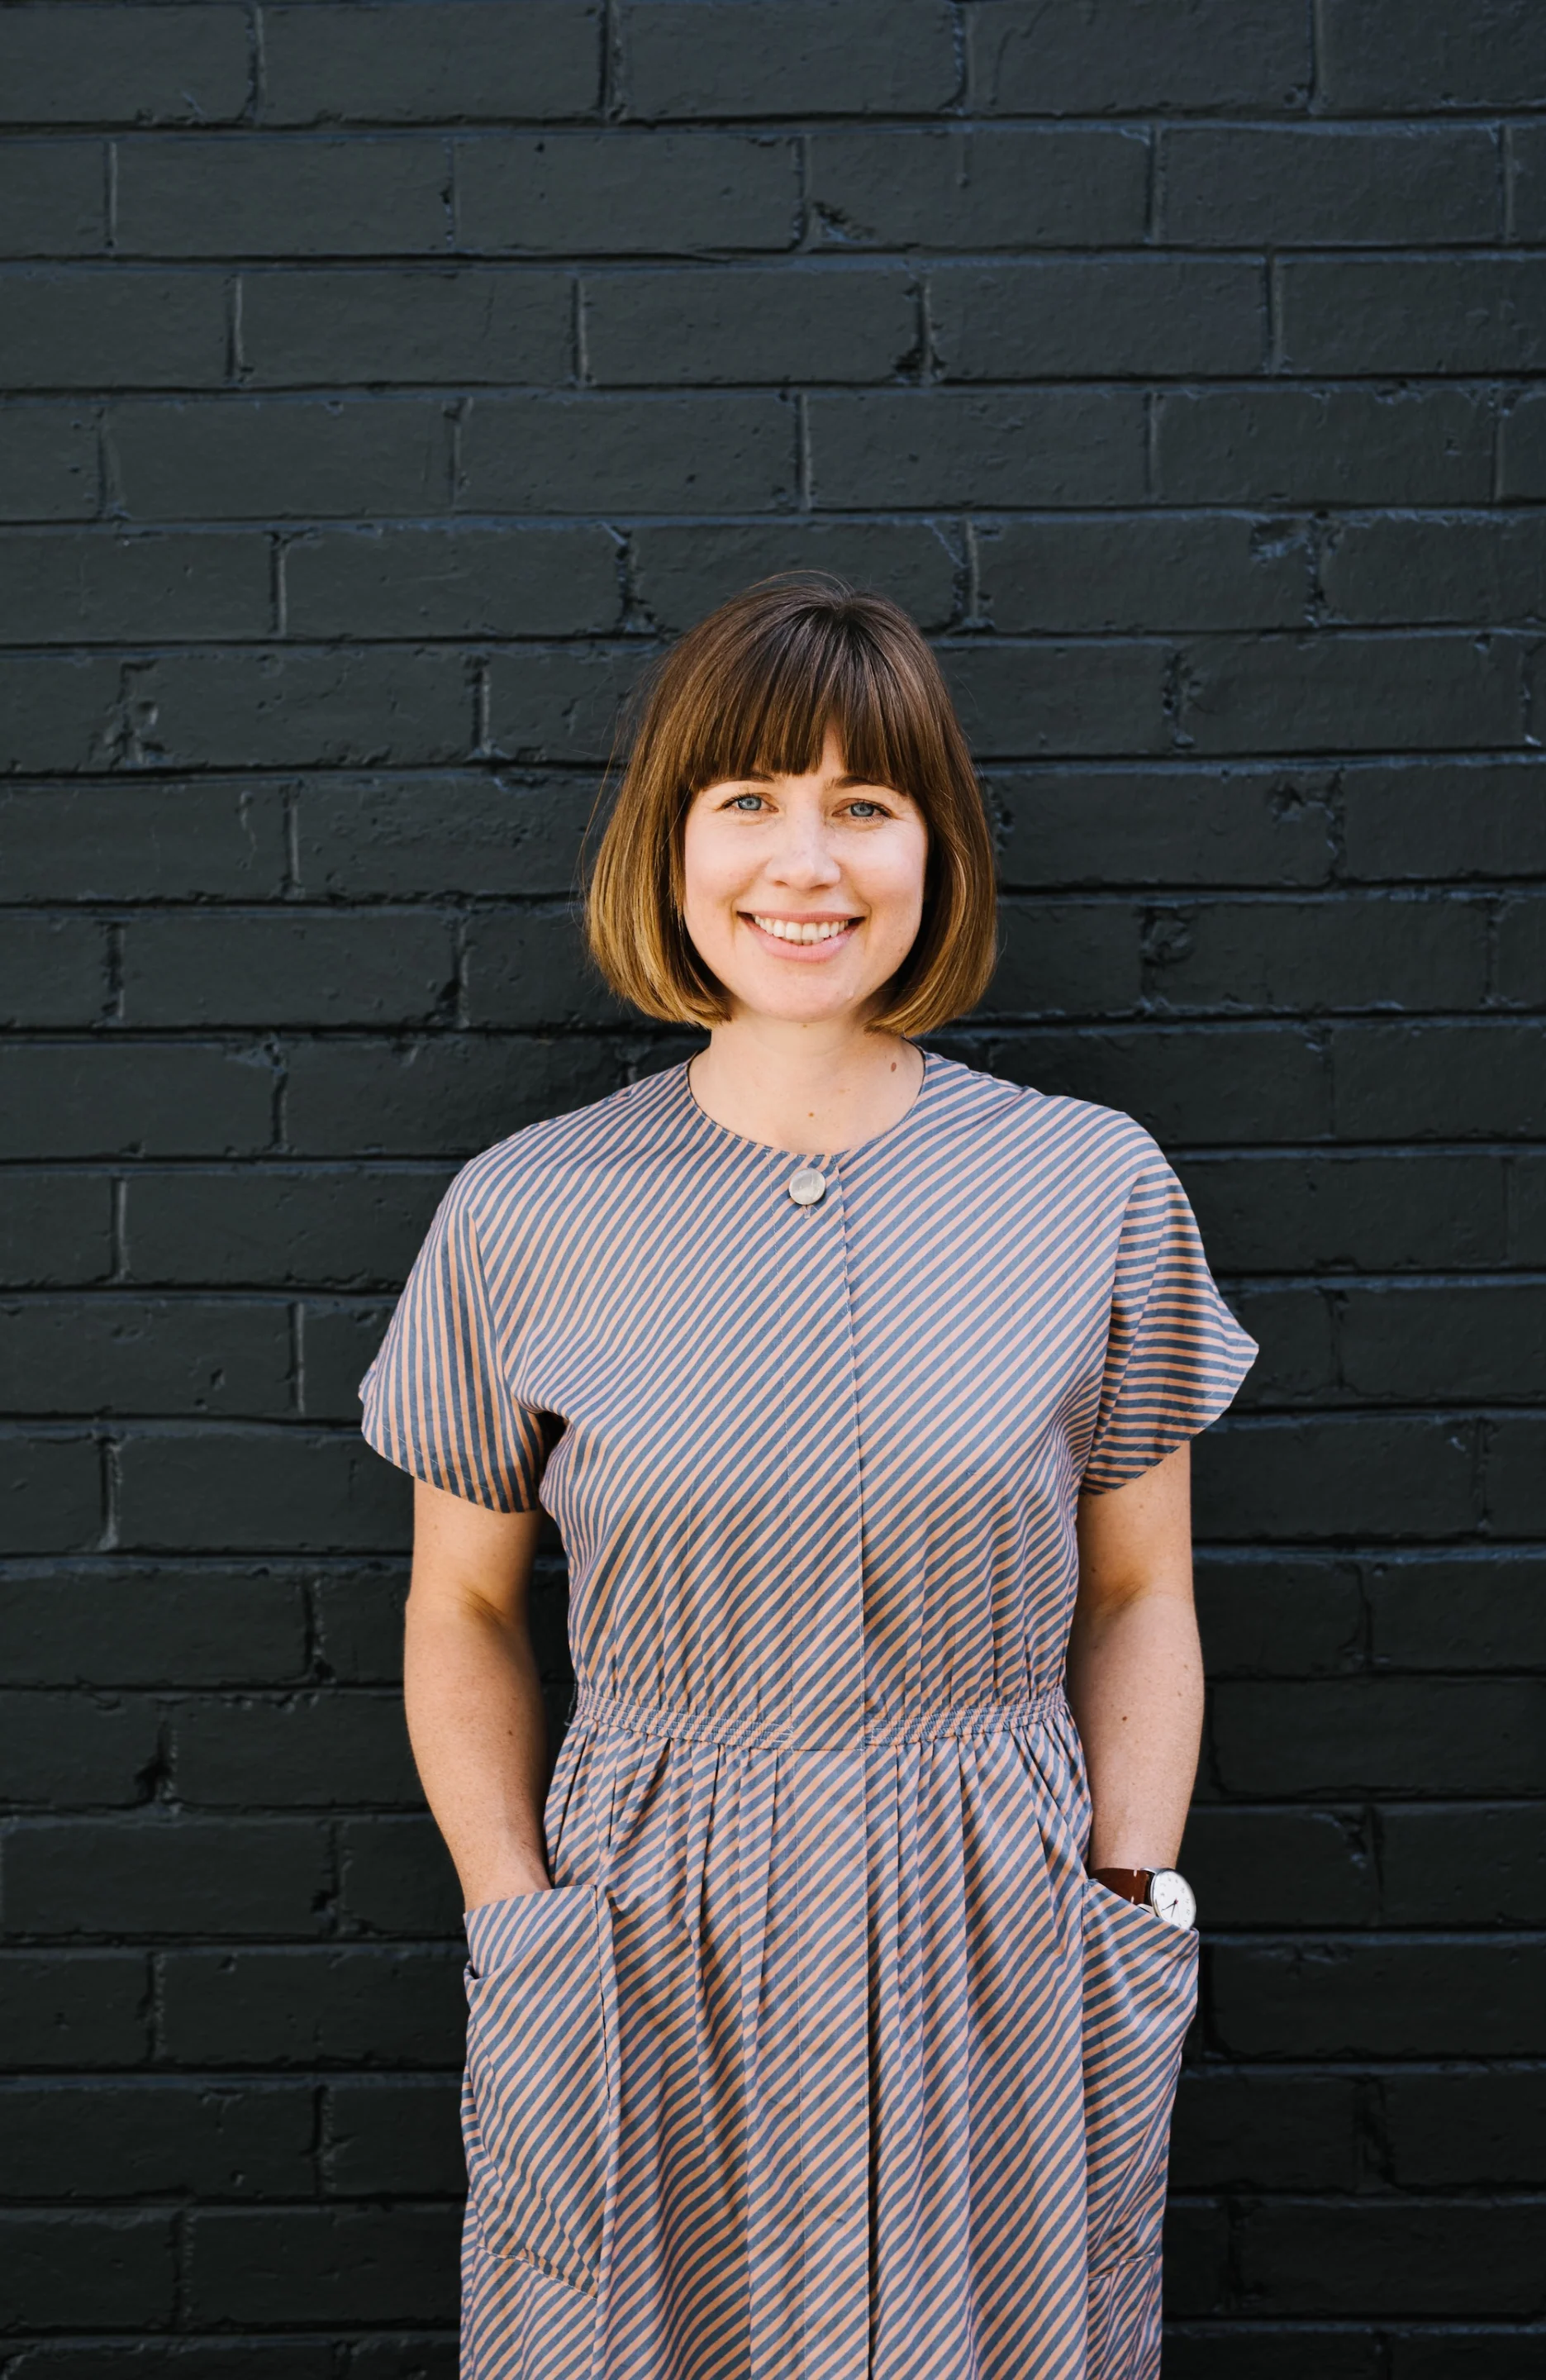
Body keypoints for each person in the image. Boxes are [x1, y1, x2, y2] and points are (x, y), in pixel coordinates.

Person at [359, 577, 1257, 2380]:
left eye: (866, 805)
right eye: (750, 802)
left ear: (935, 853)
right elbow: (457, 1605)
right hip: (641, 1921)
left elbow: (1146, 1591)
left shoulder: (1088, 1188)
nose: (806, 863)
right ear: (671, 846)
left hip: (994, 1921)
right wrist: (512, 1915)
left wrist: (1128, 1893)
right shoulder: (527, 1210)